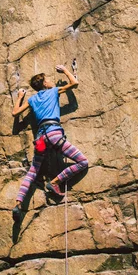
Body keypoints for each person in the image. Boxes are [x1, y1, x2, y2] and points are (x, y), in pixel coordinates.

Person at [11, 64, 88, 222]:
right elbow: (74, 83)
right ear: (45, 84)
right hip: (54, 134)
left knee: (33, 172)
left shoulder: (32, 99)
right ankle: (55, 182)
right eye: (48, 79)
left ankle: (18, 204)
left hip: (40, 138)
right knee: (82, 162)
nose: (51, 81)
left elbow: (15, 113)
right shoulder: (53, 92)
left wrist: (20, 96)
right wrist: (65, 70)